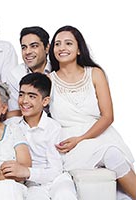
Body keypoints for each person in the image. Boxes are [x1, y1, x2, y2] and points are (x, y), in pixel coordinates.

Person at [48, 25, 136, 199]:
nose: (62, 48)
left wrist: (81, 139)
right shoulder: (49, 79)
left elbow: (108, 116)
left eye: (68, 43)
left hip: (98, 134)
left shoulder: (95, 74)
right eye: (57, 44)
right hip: (67, 143)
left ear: (79, 49)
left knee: (112, 155)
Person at [2, 73, 77, 200]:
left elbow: (56, 170)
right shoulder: (12, 125)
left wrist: (28, 172)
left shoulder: (53, 127)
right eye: (21, 94)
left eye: (32, 96)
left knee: (65, 195)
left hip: (57, 180)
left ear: (45, 101)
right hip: (32, 184)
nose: (24, 101)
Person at [6, 26, 51, 116]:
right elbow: (15, 111)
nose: (27, 52)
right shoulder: (15, 74)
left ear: (47, 48)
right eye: (24, 47)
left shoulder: (58, 70)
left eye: (34, 46)